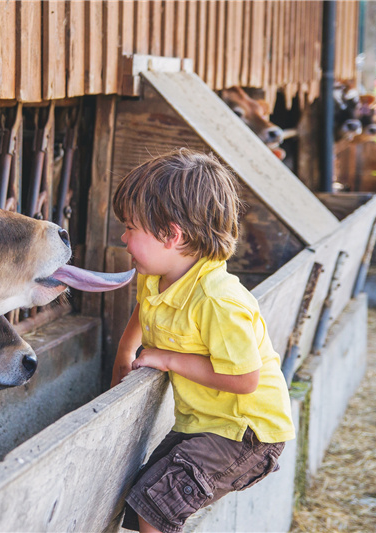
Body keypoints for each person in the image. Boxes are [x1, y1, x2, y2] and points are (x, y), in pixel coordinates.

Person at [111, 148, 295, 533]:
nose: (123, 238)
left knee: (153, 506)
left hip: (247, 434)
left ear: (171, 235)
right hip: (206, 423)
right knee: (141, 493)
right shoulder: (158, 277)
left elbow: (246, 380)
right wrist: (126, 356)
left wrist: (167, 359)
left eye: (130, 227)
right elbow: (144, 313)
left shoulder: (217, 299)